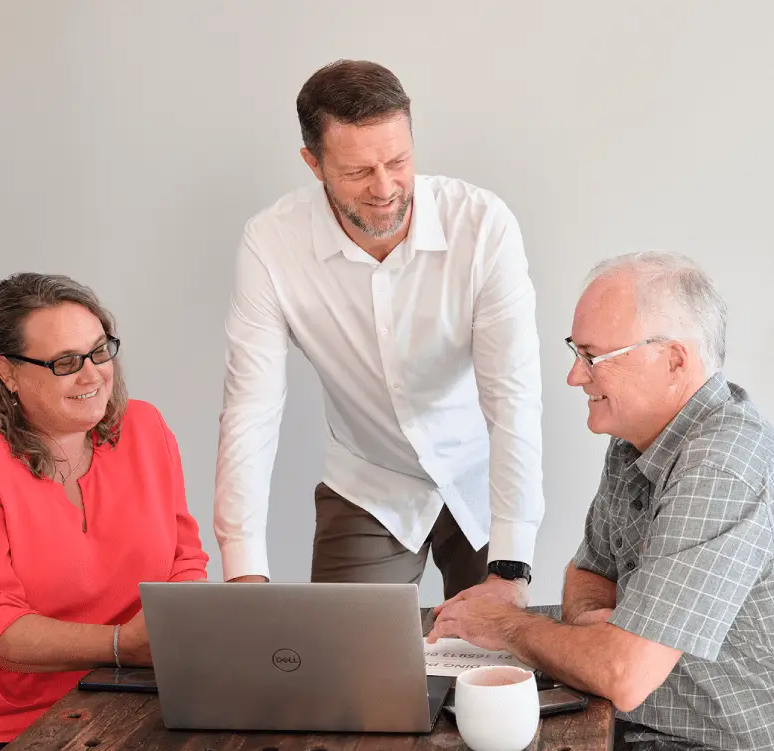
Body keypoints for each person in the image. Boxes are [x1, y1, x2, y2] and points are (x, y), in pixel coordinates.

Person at [429, 252, 774, 751]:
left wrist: (508, 627)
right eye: (575, 351)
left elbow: (624, 674)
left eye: (593, 356)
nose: (573, 376)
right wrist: (597, 628)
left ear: (674, 358)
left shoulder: (721, 466)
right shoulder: (635, 442)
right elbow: (588, 572)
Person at [214, 59, 543, 600]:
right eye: (359, 172)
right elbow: (251, 409)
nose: (386, 188)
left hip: (482, 472)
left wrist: (510, 568)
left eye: (398, 161)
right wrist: (244, 570)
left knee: (498, 666)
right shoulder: (271, 244)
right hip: (369, 481)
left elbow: (513, 397)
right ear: (313, 164)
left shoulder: (483, 225)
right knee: (347, 671)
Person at [0, 273, 208, 751]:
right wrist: (124, 643)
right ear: (6, 371)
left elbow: (183, 563)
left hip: (133, 700)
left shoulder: (145, 430)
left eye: (100, 352)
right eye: (64, 362)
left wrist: (181, 628)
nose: (93, 375)